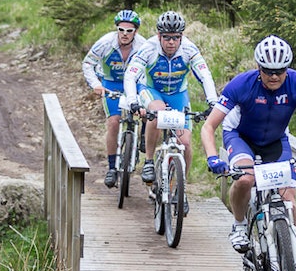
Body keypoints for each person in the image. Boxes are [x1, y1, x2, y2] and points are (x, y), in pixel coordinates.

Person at [200, 35, 296, 263]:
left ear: (287, 69)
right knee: (245, 178)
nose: (274, 76)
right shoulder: (241, 85)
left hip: (275, 140)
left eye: (280, 71)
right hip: (240, 136)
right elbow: (208, 126)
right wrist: (213, 158)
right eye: (268, 70)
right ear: (258, 67)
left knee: (289, 205)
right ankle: (240, 224)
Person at [123, 10, 217, 201]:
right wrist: (133, 100)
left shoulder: (189, 49)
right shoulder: (148, 48)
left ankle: (181, 189)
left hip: (178, 95)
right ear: (159, 36)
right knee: (156, 112)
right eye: (166, 38)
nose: (171, 42)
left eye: (176, 38)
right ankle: (149, 160)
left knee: (185, 143)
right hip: (151, 90)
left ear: (182, 37)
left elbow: (205, 76)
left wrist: (212, 101)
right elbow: (131, 75)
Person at [82, 10, 148, 187]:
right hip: (112, 83)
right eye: (121, 30)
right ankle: (112, 168)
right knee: (113, 122)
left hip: (134, 83)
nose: (125, 34)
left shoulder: (143, 45)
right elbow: (88, 63)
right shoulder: (105, 43)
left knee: (145, 109)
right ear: (117, 29)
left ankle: (143, 135)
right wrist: (96, 84)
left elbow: (150, 68)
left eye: (129, 31)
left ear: (136, 32)